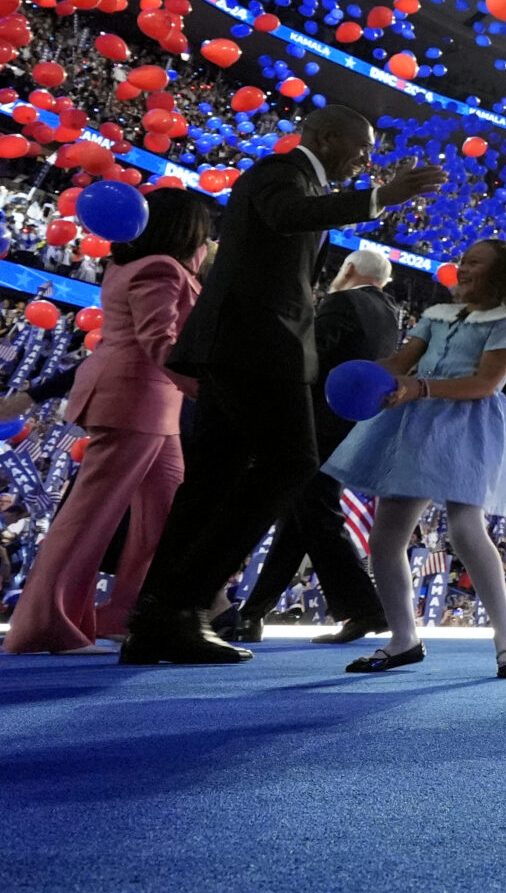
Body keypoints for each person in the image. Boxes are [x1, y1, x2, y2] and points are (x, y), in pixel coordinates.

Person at [121, 108, 445, 665]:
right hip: (258, 349)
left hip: (242, 348)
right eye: (358, 144)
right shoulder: (281, 173)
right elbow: (287, 214)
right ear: (324, 135)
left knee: (211, 481)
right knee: (293, 461)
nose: (363, 157)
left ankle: (158, 618)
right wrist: (377, 198)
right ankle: (179, 605)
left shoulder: (301, 182)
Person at [324, 238, 506, 677]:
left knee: (465, 529)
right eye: (462, 260)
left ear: (503, 273)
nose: (463, 268)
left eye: (475, 262)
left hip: (467, 427)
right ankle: (403, 639)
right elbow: (402, 361)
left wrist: (418, 388)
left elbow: (485, 384)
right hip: (416, 424)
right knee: (386, 537)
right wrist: (349, 374)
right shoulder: (436, 315)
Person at [3, 188, 212, 654]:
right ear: (187, 230)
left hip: (156, 408)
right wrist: (206, 388)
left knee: (164, 519)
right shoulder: (160, 268)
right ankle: (44, 626)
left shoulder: (133, 264)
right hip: (135, 400)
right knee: (87, 520)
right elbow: (160, 341)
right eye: (205, 231)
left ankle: (125, 613)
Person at [226, 247, 404, 644]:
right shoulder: (392, 314)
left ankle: (366, 608)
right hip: (354, 427)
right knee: (300, 518)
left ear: (350, 269)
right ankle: (253, 613)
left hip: (317, 424)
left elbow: (311, 356)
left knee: (315, 510)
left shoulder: (343, 300)